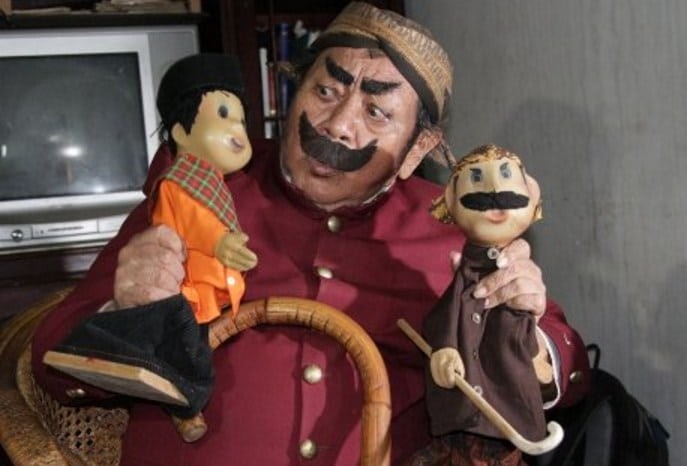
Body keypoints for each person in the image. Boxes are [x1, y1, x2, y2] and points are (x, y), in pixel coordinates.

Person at [31, 3, 590, 465]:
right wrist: (121, 311)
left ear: (417, 149)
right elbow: (50, 360)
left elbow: (567, 364)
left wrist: (523, 341)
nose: (338, 124)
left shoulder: (451, 227)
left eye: (376, 112)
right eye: (326, 91)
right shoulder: (196, 189)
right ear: (294, 89)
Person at [414, 144, 552, 465]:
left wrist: (537, 354)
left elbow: (539, 326)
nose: (493, 190)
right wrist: (445, 348)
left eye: (505, 175)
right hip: (466, 414)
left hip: (511, 402)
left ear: (532, 194)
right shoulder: (465, 272)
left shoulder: (517, 267)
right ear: (451, 200)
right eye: (477, 178)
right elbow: (443, 315)